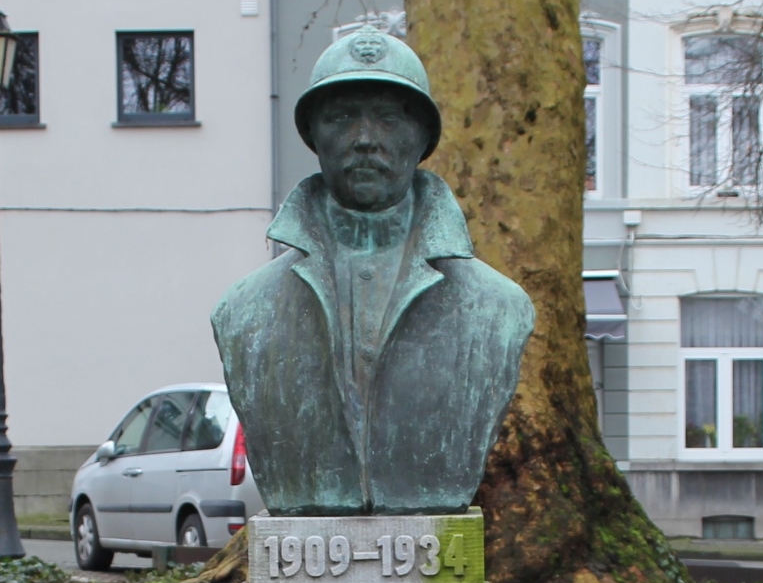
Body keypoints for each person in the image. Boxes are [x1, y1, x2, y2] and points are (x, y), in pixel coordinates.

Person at [211, 25, 534, 516]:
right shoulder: (242, 312)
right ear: (313, 135)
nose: (365, 139)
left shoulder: (499, 308)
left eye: (387, 119)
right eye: (342, 118)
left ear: (422, 137)